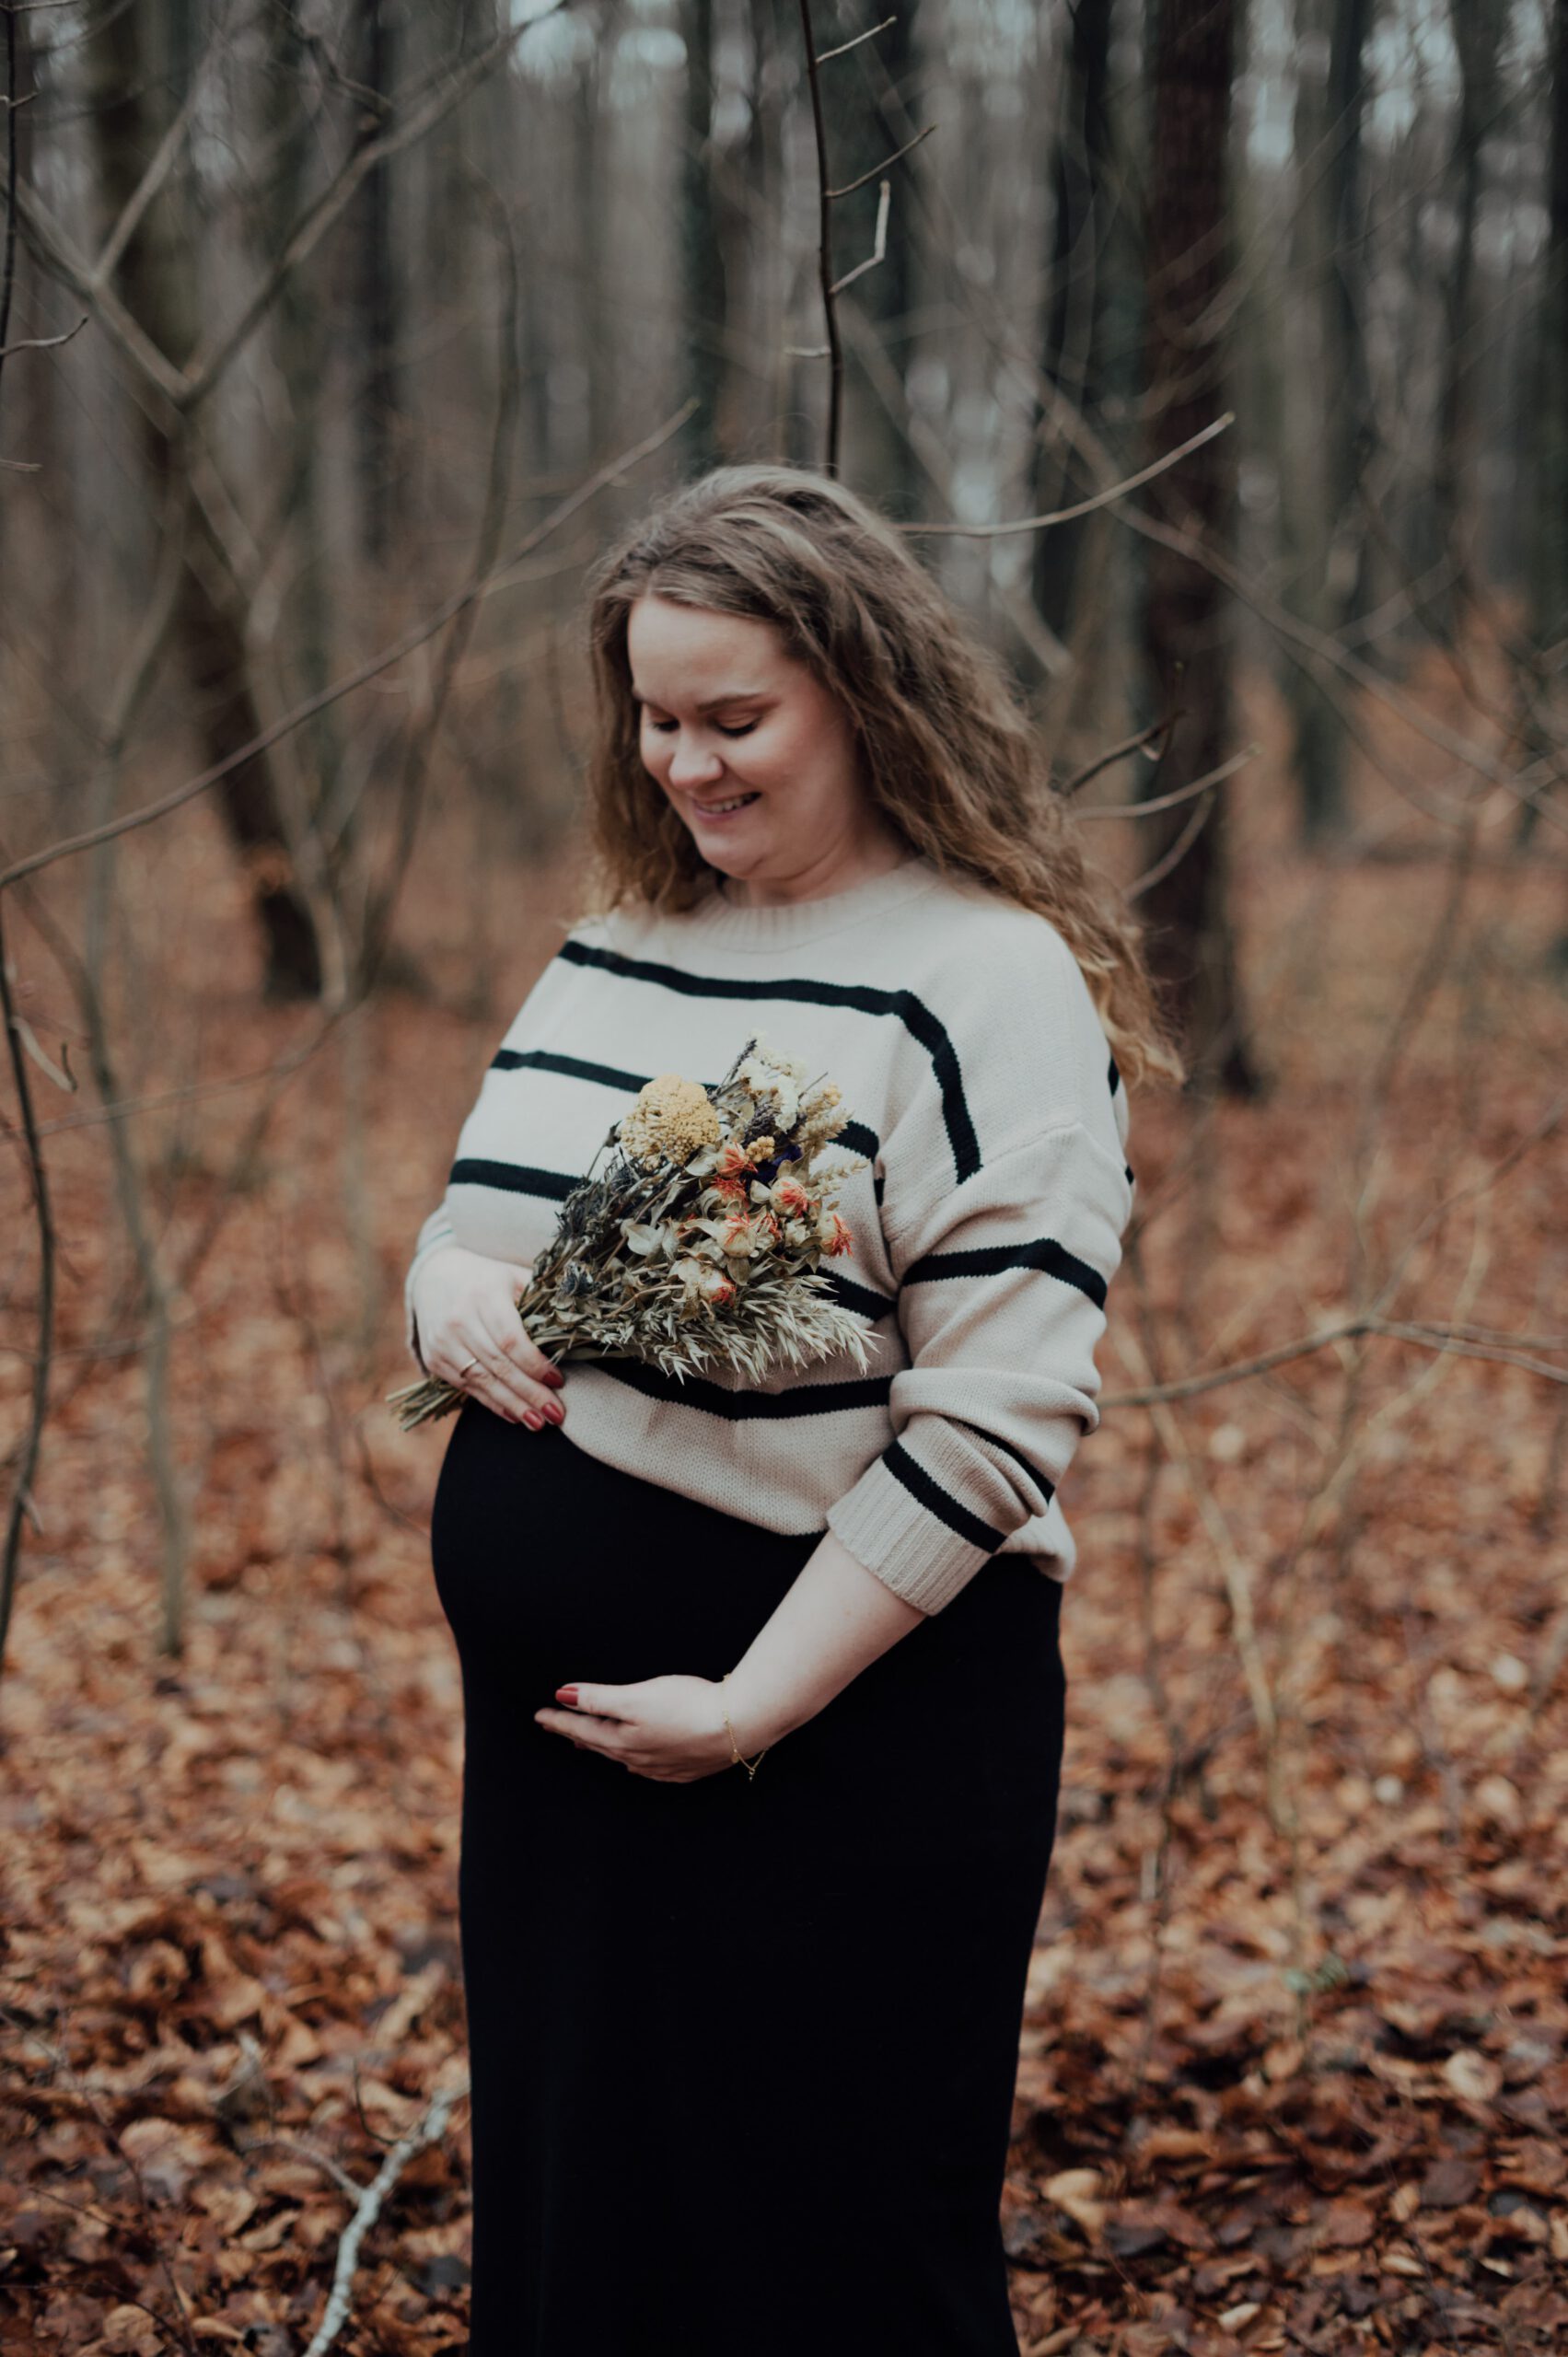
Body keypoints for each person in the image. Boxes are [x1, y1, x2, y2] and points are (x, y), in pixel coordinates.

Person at [402, 464, 1183, 2355]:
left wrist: (751, 1704)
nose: (685, 761)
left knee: (827, 2255)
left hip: (843, 1745)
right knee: (592, 2236)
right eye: (656, 717)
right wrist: (440, 1291)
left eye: (734, 715)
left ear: (863, 693)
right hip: (564, 1773)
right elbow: (474, 1224)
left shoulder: (982, 981)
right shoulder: (622, 942)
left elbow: (995, 1421)